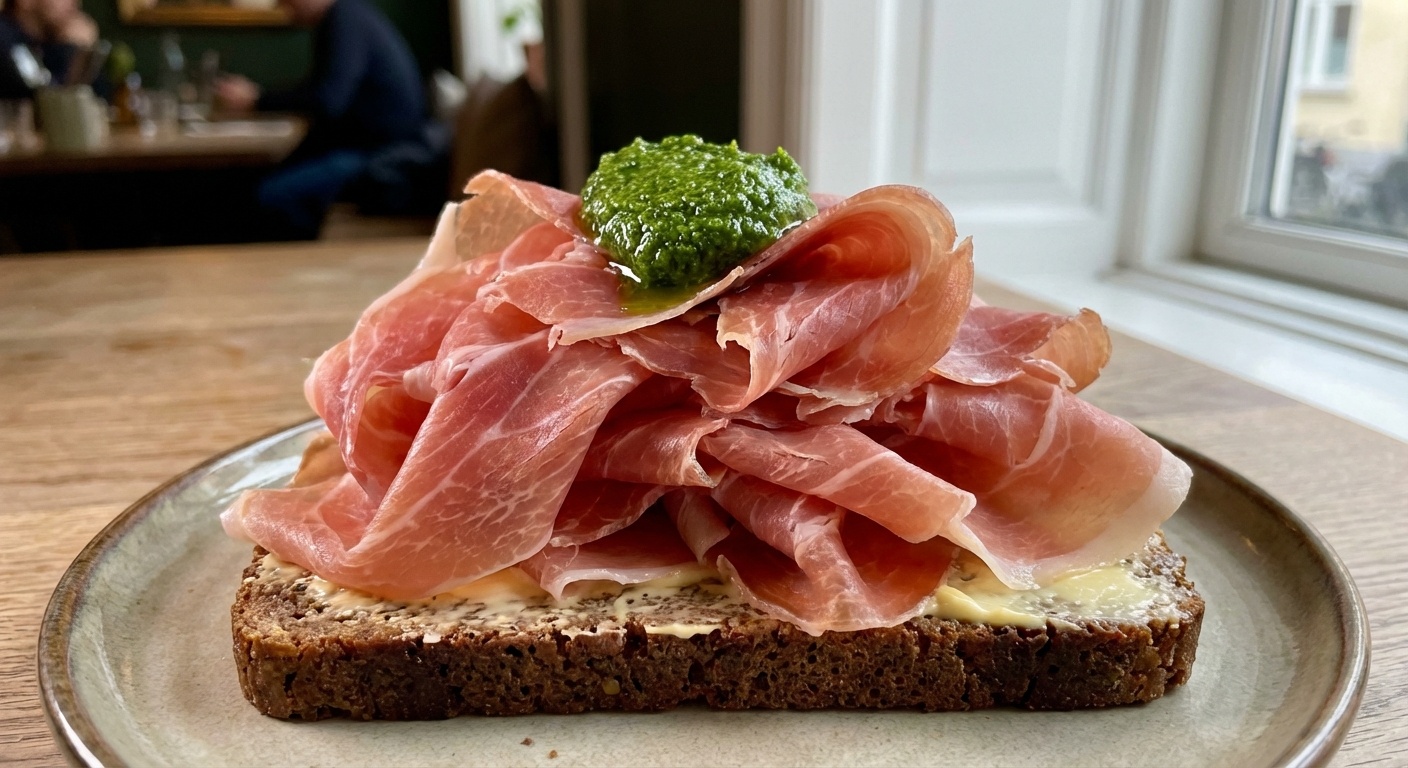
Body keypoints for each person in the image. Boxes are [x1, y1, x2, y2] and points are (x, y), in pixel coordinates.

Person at [214, 0, 430, 239]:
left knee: (272, 195)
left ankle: (291, 263)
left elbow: (327, 100)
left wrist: (257, 99)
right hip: (371, 148)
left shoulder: (345, 18)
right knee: (260, 184)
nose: (284, 5)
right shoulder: (346, 16)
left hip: (382, 158)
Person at [0, 0, 100, 100]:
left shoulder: (43, 45)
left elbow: (100, 96)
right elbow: (47, 95)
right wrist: (69, 50)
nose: (75, 2)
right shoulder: (5, 38)